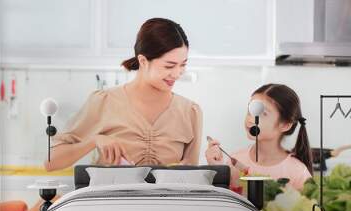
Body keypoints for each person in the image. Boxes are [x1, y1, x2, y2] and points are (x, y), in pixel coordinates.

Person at [45, 18, 202, 171]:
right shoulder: (104, 101)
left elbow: (191, 176)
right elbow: (50, 162)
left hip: (168, 198)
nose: (177, 73)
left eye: (183, 65)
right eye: (169, 66)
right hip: (110, 197)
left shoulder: (190, 111)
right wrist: (94, 140)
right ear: (143, 61)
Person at [206, 84, 312, 190]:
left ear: (285, 125)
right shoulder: (234, 161)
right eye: (250, 110)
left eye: (263, 114)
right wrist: (217, 169)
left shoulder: (298, 172)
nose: (251, 119)